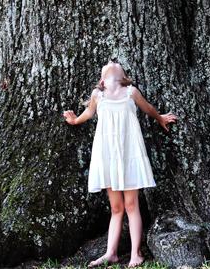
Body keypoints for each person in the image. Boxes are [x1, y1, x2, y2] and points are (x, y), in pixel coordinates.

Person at [63, 61, 178, 268]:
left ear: (123, 76)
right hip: (107, 155)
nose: (112, 63)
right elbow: (88, 114)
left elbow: (147, 108)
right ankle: (111, 253)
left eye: (115, 64)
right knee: (116, 207)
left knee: (131, 205)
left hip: (129, 153)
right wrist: (74, 121)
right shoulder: (98, 95)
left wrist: (160, 117)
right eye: (108, 64)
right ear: (102, 79)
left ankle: (136, 254)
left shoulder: (131, 92)